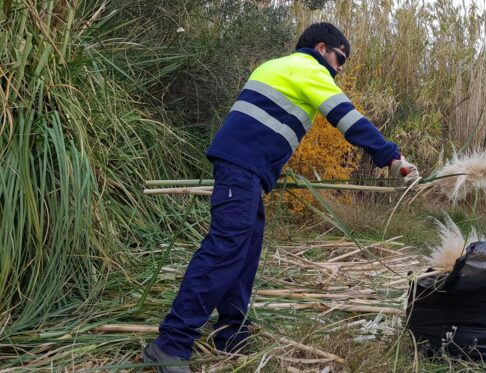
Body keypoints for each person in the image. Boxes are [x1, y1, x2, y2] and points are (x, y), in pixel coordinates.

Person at [141, 22, 419, 372]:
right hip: (241, 170)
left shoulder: (274, 66)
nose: (339, 70)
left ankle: (231, 334)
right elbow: (350, 120)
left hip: (246, 172)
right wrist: (392, 158)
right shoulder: (308, 69)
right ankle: (171, 343)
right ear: (321, 49)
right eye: (339, 59)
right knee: (225, 249)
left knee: (244, 253)